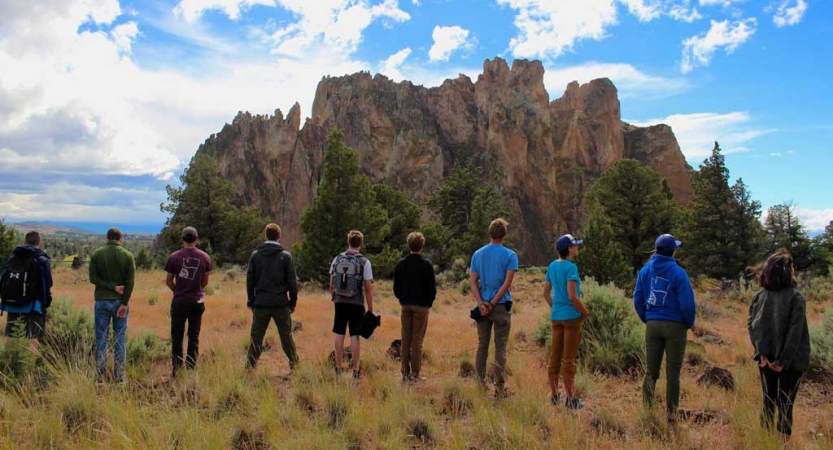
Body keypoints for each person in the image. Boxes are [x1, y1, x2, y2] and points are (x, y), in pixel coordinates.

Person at [633, 234, 696, 424]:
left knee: (651, 371)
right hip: (675, 325)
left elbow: (637, 299)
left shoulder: (645, 271)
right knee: (673, 373)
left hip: (652, 324)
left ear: (656, 250)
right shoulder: (678, 273)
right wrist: (688, 323)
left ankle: (648, 409)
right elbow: (687, 304)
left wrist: (647, 317)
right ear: (673, 250)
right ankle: (671, 415)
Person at [748, 249, 810, 439]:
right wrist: (783, 361)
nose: (794, 269)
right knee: (785, 404)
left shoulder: (760, 296)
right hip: (789, 362)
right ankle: (781, 444)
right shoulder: (795, 297)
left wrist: (762, 354)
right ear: (785, 270)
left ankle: (765, 442)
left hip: (767, 360)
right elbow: (795, 333)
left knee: (768, 402)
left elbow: (753, 326)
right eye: (791, 266)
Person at [469, 218, 518, 398]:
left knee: (482, 346)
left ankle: (480, 385)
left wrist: (481, 302)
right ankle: (499, 387)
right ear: (504, 235)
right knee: (500, 348)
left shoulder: (477, 254)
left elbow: (473, 282)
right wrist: (492, 303)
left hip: (482, 308)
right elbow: (507, 283)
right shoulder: (510, 255)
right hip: (500, 306)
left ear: (490, 233)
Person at [542, 234, 589, 410]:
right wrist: (584, 313)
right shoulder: (571, 268)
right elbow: (572, 296)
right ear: (569, 248)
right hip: (571, 318)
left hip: (557, 318)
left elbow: (545, 293)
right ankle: (571, 399)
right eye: (575, 245)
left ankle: (554, 395)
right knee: (568, 359)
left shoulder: (552, 266)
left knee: (554, 357)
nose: (577, 247)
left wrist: (556, 308)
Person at [246, 223, 300, 371]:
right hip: (280, 303)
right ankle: (294, 363)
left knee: (256, 336)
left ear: (266, 235)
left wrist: (251, 300)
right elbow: (292, 282)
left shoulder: (256, 255)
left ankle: (251, 365)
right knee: (286, 336)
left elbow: (250, 280)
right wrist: (292, 302)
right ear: (279, 236)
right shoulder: (285, 256)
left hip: (261, 302)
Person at [164, 226, 212, 377]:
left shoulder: (174, 257)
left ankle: (177, 369)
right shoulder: (204, 257)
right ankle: (191, 367)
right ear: (196, 239)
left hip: (179, 300)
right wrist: (196, 289)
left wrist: (178, 290)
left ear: (182, 239)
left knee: (177, 336)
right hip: (196, 300)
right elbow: (205, 282)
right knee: (194, 335)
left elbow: (168, 281)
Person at [89, 227, 135, 384]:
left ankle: (100, 377)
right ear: (120, 238)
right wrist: (124, 302)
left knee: (101, 337)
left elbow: (93, 278)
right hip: (120, 302)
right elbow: (130, 283)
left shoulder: (97, 254)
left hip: (101, 301)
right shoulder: (128, 256)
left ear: (107, 238)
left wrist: (109, 286)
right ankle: (119, 376)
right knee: (119, 338)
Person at [330, 230, 374, 379]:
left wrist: (335, 298)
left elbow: (331, 284)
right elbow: (368, 288)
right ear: (360, 244)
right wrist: (370, 310)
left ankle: (337, 367)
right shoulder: (364, 262)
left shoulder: (337, 259)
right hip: (356, 303)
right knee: (355, 335)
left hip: (340, 301)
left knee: (339, 333)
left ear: (348, 242)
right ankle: (355, 370)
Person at [393, 232, 436, 382]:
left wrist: (402, 298)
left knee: (406, 339)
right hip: (422, 306)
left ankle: (404, 373)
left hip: (406, 304)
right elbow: (432, 289)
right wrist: (428, 303)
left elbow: (396, 288)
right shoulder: (427, 265)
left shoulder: (401, 264)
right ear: (422, 246)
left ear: (408, 244)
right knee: (417, 340)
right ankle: (415, 374)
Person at [1, 231, 53, 346]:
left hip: (12, 303)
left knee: (11, 335)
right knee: (34, 337)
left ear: (24, 242)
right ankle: (30, 363)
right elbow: (47, 284)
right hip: (34, 305)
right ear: (40, 243)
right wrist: (46, 303)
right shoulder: (42, 260)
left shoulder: (13, 258)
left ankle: (8, 361)